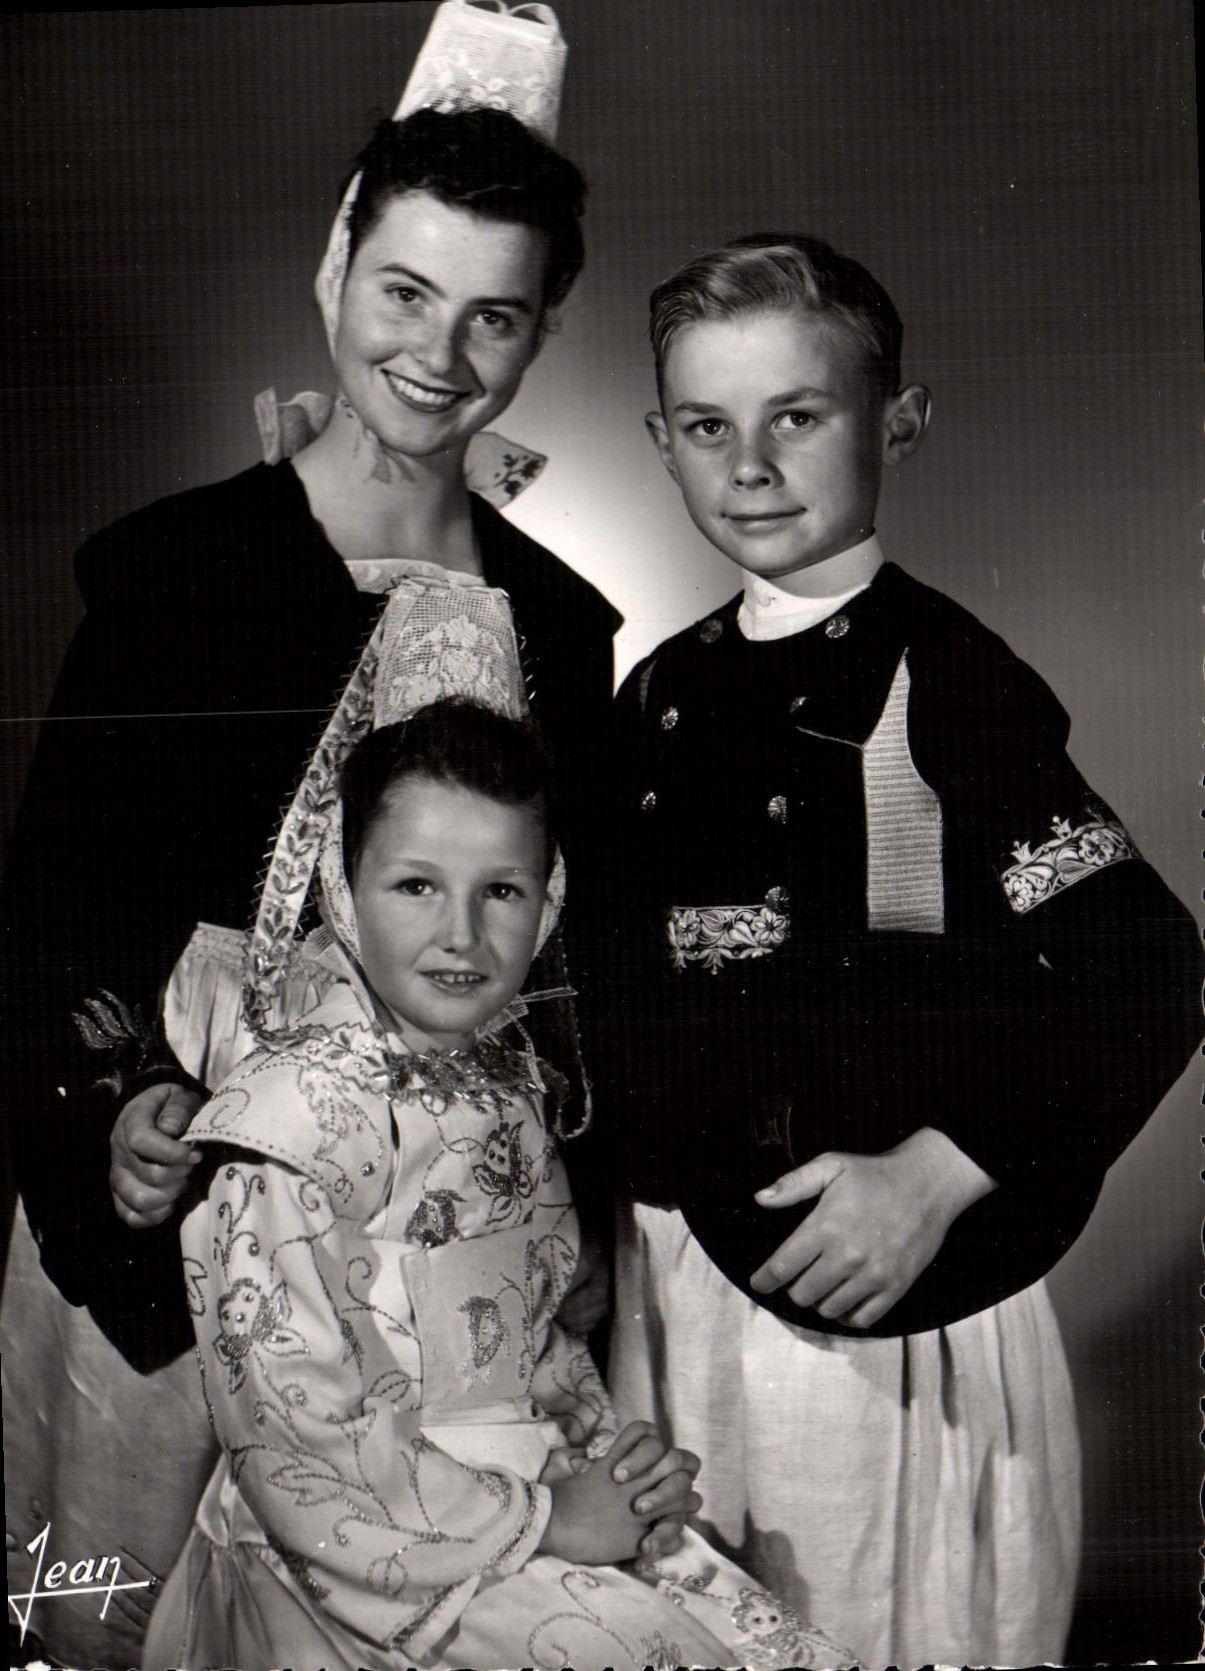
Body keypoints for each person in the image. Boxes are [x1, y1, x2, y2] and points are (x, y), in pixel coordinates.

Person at [1, 11, 619, 1660]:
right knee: (125, 1609)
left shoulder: (563, 626)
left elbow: (569, 965)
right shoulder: (179, 574)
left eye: (494, 316)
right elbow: (52, 906)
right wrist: (118, 1105)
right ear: (336, 268)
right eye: (404, 291)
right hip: (188, 1209)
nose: (440, 352)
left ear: (541, 332)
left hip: (442, 1259)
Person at [595, 233, 1203, 1668]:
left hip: (882, 1294)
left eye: (796, 416)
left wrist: (940, 1171)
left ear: (898, 421)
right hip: (674, 1287)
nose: (750, 465)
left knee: (869, 1630)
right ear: (660, 445)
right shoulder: (657, 689)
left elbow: (1148, 964)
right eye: (706, 427)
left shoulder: (948, 677)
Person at [142, 693, 852, 1671]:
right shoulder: (288, 1120)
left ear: (547, 900)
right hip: (357, 1554)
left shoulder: (510, 1086)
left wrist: (611, 1471)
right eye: (416, 885)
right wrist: (549, 1519)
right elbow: (295, 1437)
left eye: (502, 891)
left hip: (521, 1492)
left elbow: (529, 1340)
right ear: (343, 890)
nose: (462, 936)